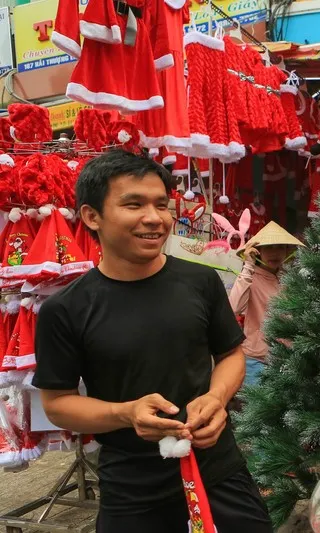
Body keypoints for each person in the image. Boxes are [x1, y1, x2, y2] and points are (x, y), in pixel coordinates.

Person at [32, 150, 273, 533]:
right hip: (132, 486)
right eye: (134, 204)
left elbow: (230, 354)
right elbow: (58, 405)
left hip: (217, 469)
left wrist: (216, 398)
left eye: (161, 205)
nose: (154, 218)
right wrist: (125, 413)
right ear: (92, 216)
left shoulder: (201, 281)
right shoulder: (65, 309)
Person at [229, 221, 303, 386]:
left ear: (287, 251)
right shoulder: (250, 277)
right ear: (258, 251)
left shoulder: (289, 279)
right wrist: (248, 265)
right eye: (268, 247)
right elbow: (233, 308)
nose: (274, 253)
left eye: (279, 247)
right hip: (256, 361)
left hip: (286, 360)